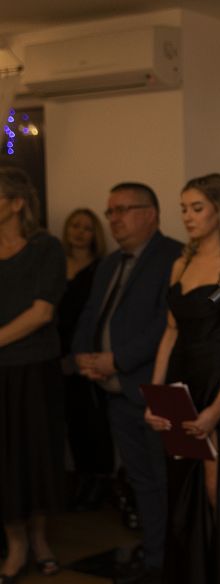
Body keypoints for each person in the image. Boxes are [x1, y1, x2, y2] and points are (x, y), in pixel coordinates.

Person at [72, 182, 182, 584]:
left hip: (156, 388)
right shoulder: (109, 264)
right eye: (110, 212)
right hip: (116, 392)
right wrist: (83, 355)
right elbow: (92, 313)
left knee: (167, 481)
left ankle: (177, 560)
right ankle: (154, 558)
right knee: (140, 480)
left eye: (122, 210)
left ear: (150, 214)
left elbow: (165, 324)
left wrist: (116, 359)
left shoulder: (174, 256)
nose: (113, 219)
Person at [144, 174, 220, 583]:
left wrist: (216, 411)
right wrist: (156, 396)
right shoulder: (181, 263)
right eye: (183, 209)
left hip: (217, 387)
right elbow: (170, 333)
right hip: (180, 387)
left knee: (215, 491)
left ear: (219, 210)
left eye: (197, 208)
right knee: (180, 489)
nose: (187, 217)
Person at [0, 167, 67, 582]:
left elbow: (41, 312)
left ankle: (40, 539)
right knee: (3, 458)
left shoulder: (46, 247)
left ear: (17, 203)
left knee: (36, 454)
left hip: (35, 369)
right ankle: (15, 544)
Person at [58, 208, 113, 511]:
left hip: (86, 351)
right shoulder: (56, 264)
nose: (79, 232)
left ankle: (98, 480)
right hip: (53, 350)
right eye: (75, 226)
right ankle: (78, 478)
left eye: (87, 228)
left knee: (90, 420)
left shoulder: (100, 269)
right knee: (66, 421)